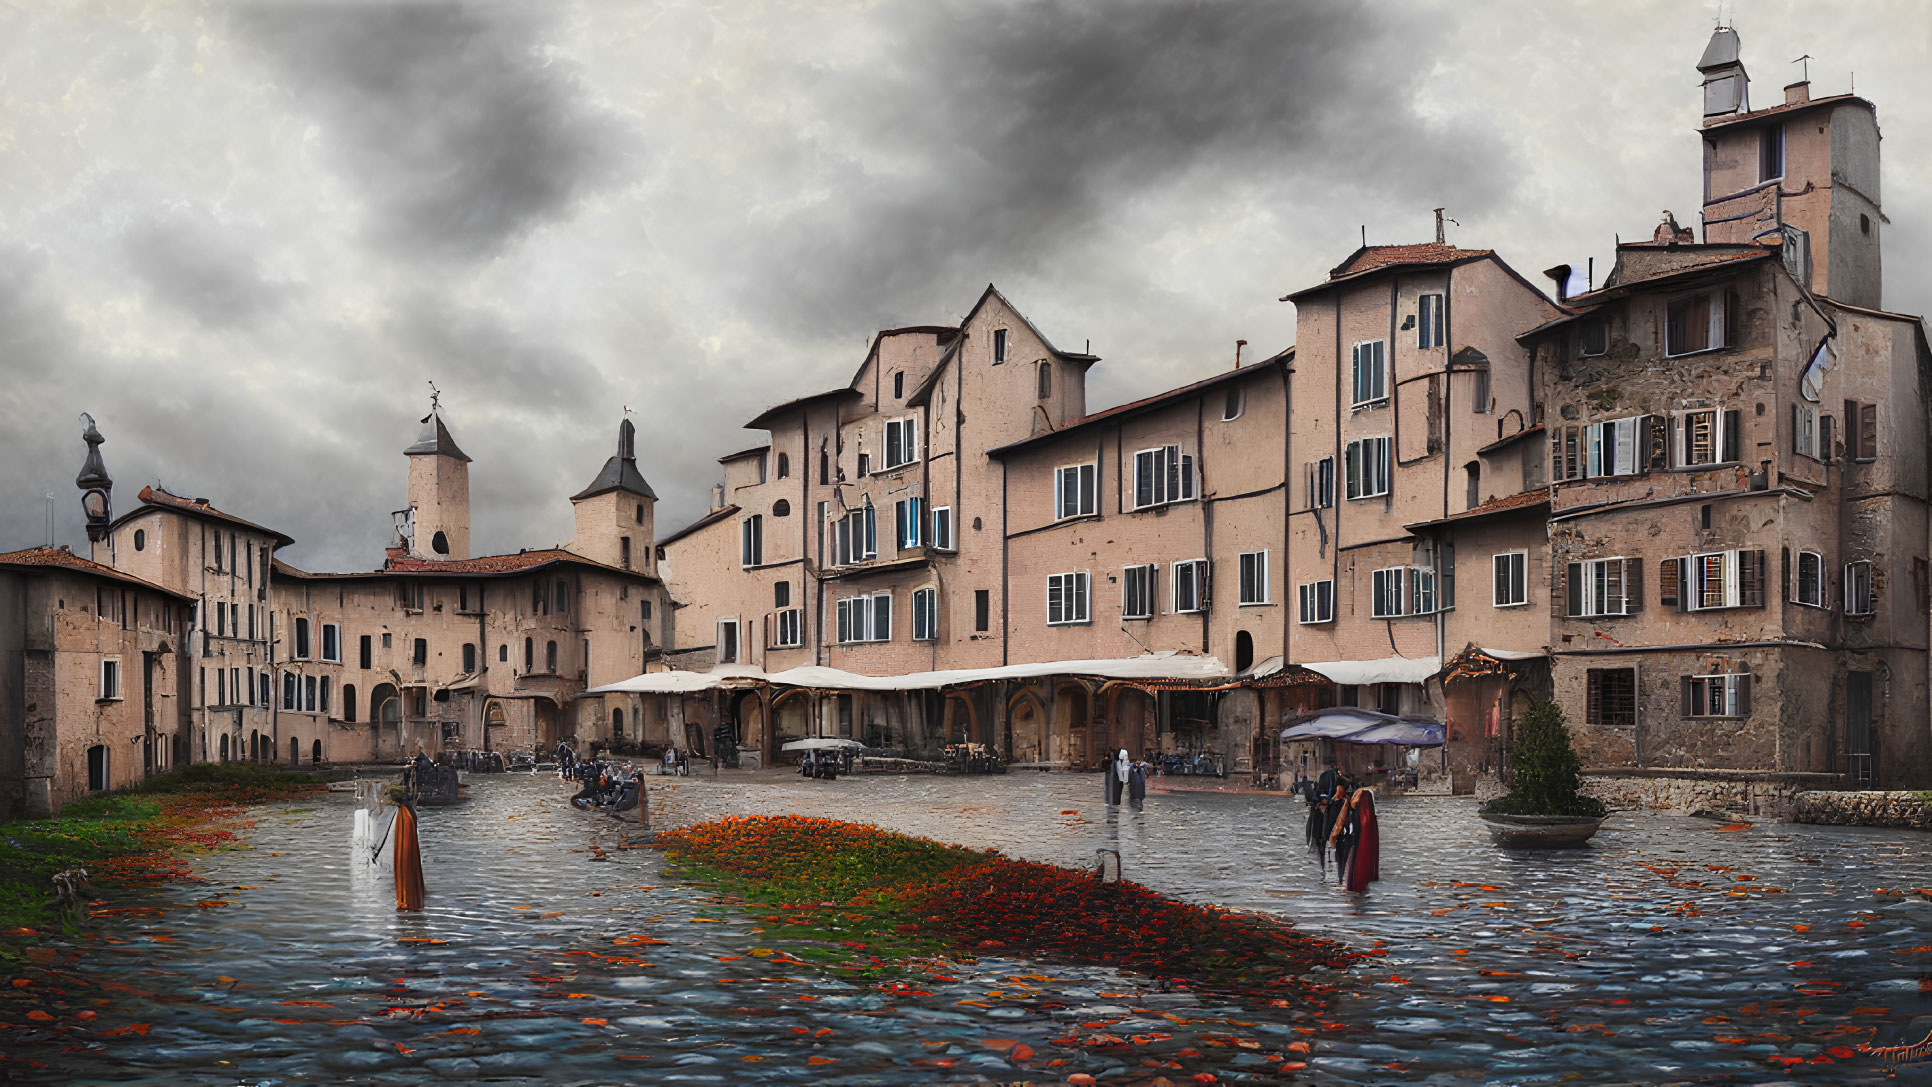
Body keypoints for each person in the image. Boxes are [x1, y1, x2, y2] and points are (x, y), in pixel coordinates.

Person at [1328, 786, 1380, 893]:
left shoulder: (1366, 817)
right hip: (1348, 841)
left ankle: (1353, 889)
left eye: (1356, 796)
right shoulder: (1350, 808)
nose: (1354, 798)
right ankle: (1345, 884)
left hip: (1356, 844)